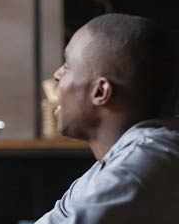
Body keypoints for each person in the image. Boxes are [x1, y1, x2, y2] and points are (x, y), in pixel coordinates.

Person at [35, 13, 179, 223]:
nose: (57, 74)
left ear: (100, 92)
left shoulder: (146, 162)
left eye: (67, 66)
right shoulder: (99, 174)